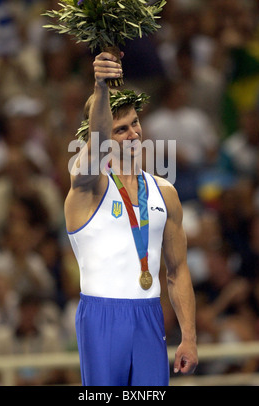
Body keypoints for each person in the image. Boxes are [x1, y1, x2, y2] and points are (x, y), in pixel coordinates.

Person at [64, 51, 198, 386]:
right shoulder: (88, 188)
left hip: (150, 315)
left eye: (135, 123)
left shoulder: (165, 192)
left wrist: (190, 336)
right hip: (102, 315)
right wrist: (100, 87)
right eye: (120, 129)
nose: (133, 134)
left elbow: (178, 270)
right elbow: (94, 145)